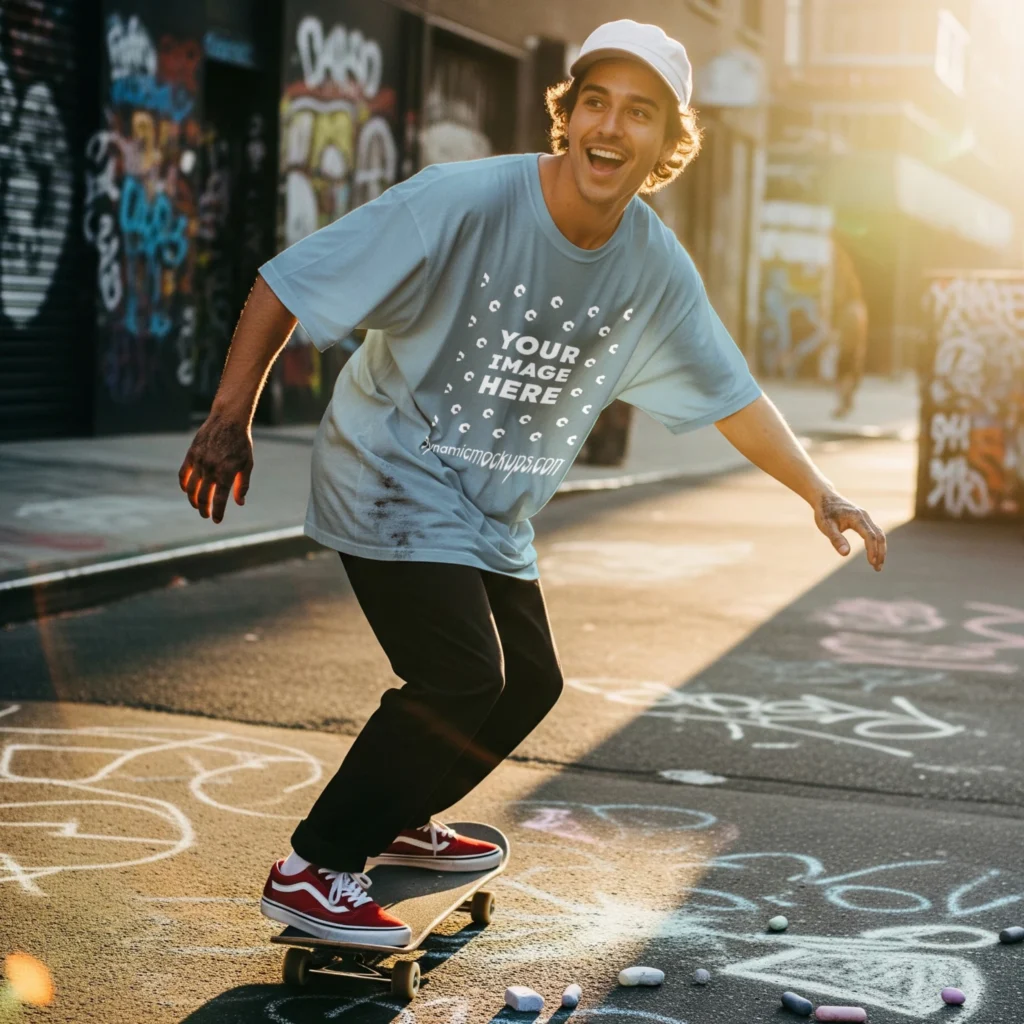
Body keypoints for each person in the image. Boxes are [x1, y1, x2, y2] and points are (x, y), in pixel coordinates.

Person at [178, 20, 887, 947]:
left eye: (639, 113)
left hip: (490, 508)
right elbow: (290, 281)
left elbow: (732, 392)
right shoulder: (464, 200)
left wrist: (819, 492)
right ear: (569, 114)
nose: (610, 126)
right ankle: (315, 868)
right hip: (389, 467)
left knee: (532, 684)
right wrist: (230, 418)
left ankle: (397, 812)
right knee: (462, 674)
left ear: (667, 146)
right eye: (595, 101)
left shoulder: (652, 261)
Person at [831, 240, 869, 419]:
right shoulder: (860, 308)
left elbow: (847, 331)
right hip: (855, 349)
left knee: (843, 378)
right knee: (850, 378)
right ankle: (846, 405)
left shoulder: (850, 310)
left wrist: (840, 342)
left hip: (848, 348)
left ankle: (843, 406)